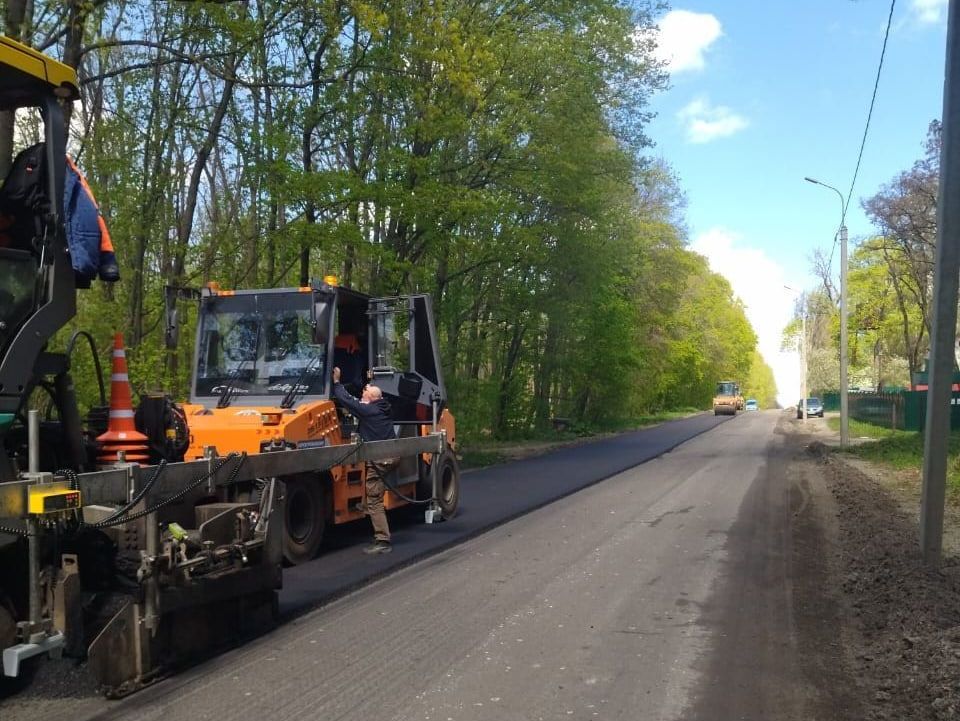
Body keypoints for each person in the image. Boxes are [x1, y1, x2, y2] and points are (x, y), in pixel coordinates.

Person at [331, 366, 397, 554]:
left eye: (365, 391)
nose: (363, 391)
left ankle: (383, 541)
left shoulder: (370, 412)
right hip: (388, 456)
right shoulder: (382, 408)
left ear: (372, 398)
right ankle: (366, 506)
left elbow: (347, 401)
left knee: (375, 499)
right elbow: (366, 397)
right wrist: (369, 379)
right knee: (372, 493)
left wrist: (336, 382)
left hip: (380, 459)